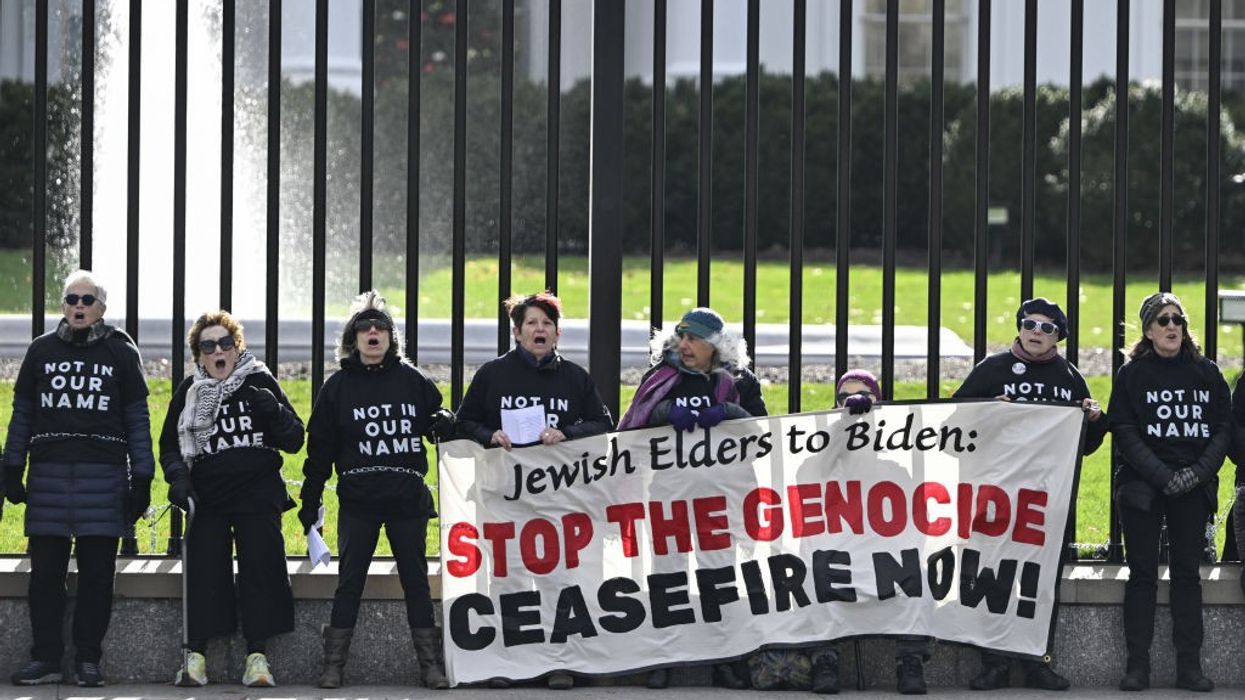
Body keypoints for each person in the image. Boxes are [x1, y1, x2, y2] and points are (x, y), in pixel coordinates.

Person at [2, 270, 154, 687]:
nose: (79, 306)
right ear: (63, 306)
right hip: (49, 477)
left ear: (101, 307)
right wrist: (12, 467)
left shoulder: (121, 351)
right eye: (72, 299)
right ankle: (46, 658)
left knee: (97, 578)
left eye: (88, 300)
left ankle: (88, 659)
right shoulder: (41, 350)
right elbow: (22, 415)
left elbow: (137, 419)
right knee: (44, 577)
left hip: (103, 478)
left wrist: (142, 477)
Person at [454, 291, 612, 689]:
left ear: (557, 334)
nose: (539, 329)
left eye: (546, 323)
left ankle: (560, 661)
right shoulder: (492, 374)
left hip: (558, 499)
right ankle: (510, 662)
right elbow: (463, 422)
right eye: (531, 323)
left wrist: (567, 433)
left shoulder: (575, 377)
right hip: (504, 497)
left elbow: (603, 425)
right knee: (508, 581)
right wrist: (490, 435)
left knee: (558, 579)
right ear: (517, 332)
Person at [299, 291, 454, 690]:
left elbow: (438, 422)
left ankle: (431, 666)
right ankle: (333, 666)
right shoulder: (337, 388)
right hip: (359, 501)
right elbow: (319, 451)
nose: (373, 332)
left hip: (407, 500)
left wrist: (444, 420)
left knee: (416, 582)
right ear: (353, 339)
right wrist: (310, 500)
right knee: (349, 582)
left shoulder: (413, 380)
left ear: (390, 337)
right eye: (364, 327)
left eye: (380, 327)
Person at [952, 297, 1105, 691]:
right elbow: (955, 422)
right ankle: (994, 663)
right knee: (993, 576)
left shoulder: (1069, 377)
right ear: (1019, 328)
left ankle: (1038, 661)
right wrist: (986, 408)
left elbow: (1085, 445)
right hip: (998, 494)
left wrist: (1093, 419)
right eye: (1030, 324)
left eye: (1047, 328)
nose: (1037, 332)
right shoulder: (992, 369)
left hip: (1046, 498)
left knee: (1041, 581)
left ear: (1059, 337)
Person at [619, 307, 765, 691]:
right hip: (668, 495)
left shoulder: (740, 382)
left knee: (719, 577)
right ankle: (665, 657)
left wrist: (729, 411)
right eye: (681, 337)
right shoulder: (661, 377)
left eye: (694, 339)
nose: (683, 345)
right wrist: (666, 411)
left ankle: (724, 658)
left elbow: (762, 433)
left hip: (720, 499)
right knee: (668, 576)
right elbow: (634, 425)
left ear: (715, 345)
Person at [158, 311, 304, 687]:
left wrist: (274, 411)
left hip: (257, 493)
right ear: (199, 355)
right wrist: (178, 478)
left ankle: (257, 657)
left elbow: (294, 439)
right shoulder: (189, 391)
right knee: (204, 572)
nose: (218, 351)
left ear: (237, 347)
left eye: (225, 343)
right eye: (208, 346)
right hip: (209, 496)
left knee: (262, 570)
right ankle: (196, 656)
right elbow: (169, 445)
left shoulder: (259, 380)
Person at [769, 369, 929, 696]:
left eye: (863, 398)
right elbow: (817, 467)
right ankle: (824, 660)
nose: (854, 404)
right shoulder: (819, 461)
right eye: (844, 399)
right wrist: (844, 424)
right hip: (836, 556)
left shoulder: (895, 465)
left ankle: (910, 662)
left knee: (919, 576)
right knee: (815, 574)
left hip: (879, 557)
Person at [1109, 292, 1229, 692]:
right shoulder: (1132, 375)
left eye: (1178, 319)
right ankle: (1137, 667)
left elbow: (1222, 429)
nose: (1172, 326)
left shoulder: (1206, 372)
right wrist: (1162, 476)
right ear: (1148, 330)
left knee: (1187, 577)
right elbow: (1124, 430)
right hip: (1143, 486)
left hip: (1193, 485)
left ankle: (1189, 668)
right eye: (1163, 320)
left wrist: (1197, 474)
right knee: (1142, 575)